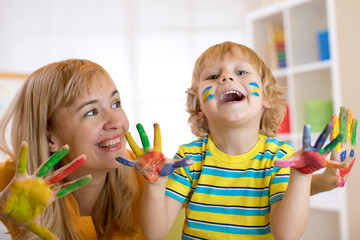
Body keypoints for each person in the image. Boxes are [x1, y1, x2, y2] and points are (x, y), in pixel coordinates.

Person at [119, 41, 356, 239]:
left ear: (266, 97)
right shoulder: (189, 159)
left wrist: (301, 176)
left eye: (241, 72)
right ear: (199, 105)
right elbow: (154, 232)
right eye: (213, 76)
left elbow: (287, 234)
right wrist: (155, 184)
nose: (226, 78)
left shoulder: (279, 158)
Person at [0, 59, 148, 239]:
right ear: (49, 138)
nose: (117, 122)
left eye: (115, 104)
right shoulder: (14, 183)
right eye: (91, 112)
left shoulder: (146, 172)